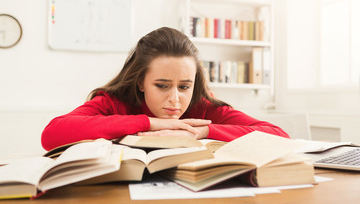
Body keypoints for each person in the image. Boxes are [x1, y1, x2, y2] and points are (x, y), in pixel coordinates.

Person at [41, 27, 289, 151]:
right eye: (161, 86)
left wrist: (203, 132)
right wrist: (148, 123)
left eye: (184, 86)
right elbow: (52, 135)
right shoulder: (113, 102)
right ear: (140, 82)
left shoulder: (202, 107)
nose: (175, 99)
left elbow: (279, 135)